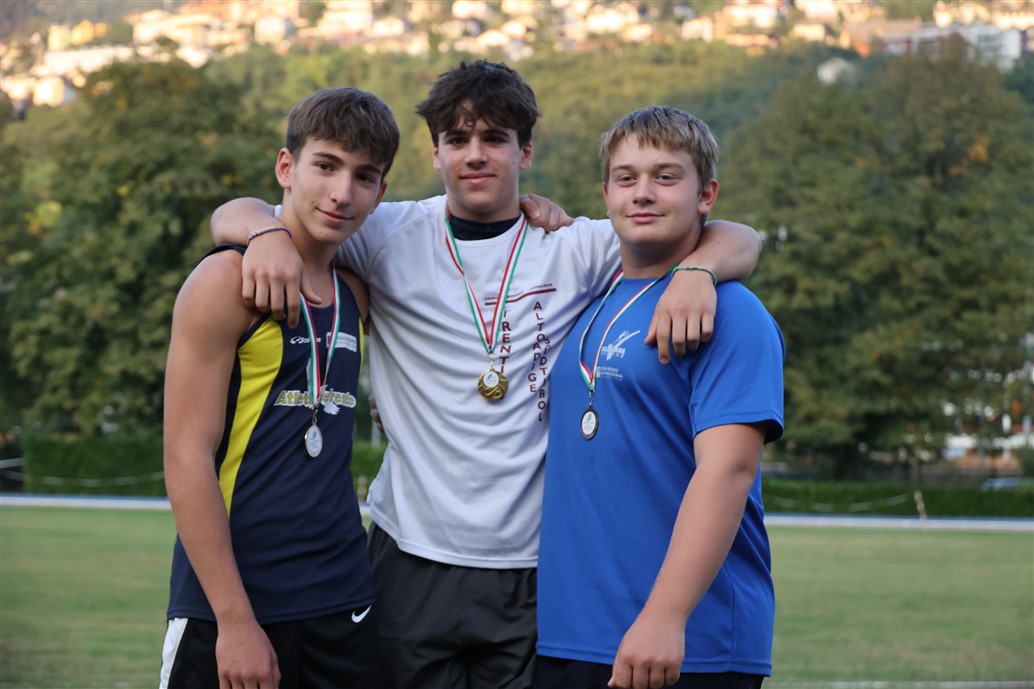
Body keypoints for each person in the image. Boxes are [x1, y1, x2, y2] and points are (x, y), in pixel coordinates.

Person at [210, 60, 763, 689]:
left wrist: (697, 272)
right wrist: (266, 233)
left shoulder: (578, 245)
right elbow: (234, 212)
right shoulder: (385, 231)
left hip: (535, 567)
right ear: (436, 153)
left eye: (495, 138)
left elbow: (735, 236)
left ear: (525, 151)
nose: (476, 154)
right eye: (458, 139)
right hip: (409, 553)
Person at [533, 105, 785, 689]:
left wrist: (666, 616)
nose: (643, 193)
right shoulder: (592, 301)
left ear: (706, 194)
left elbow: (729, 472)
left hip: (685, 643)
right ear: (606, 194)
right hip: (573, 635)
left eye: (666, 177)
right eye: (626, 178)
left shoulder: (732, 313)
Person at [160, 87, 399, 689]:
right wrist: (234, 620)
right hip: (233, 608)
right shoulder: (225, 280)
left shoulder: (358, 292)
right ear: (286, 168)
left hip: (344, 603)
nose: (342, 192)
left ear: (380, 193)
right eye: (326, 166)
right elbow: (185, 456)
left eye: (363, 176)